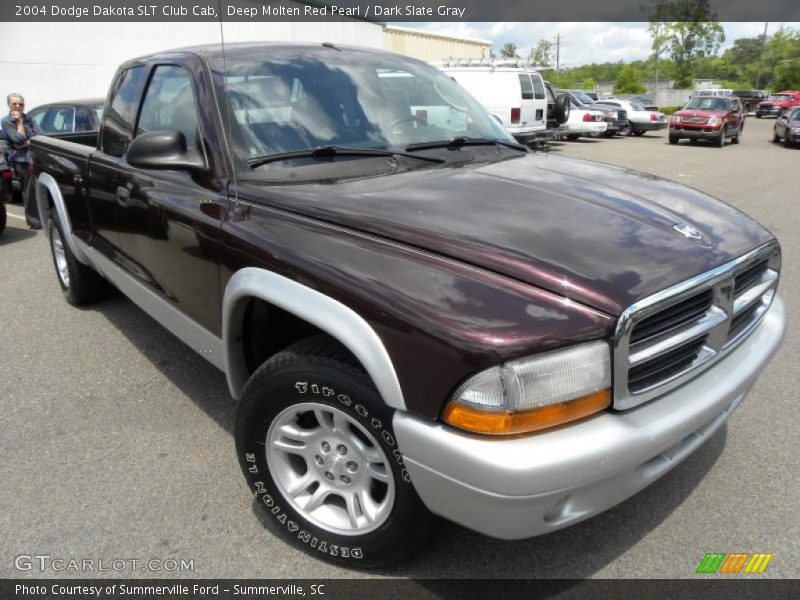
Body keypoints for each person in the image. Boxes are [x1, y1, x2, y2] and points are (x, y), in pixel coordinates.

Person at [1, 93, 40, 229]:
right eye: (14, 104)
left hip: (35, 157)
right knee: (29, 191)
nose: (18, 106)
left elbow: (39, 135)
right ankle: (34, 221)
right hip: (22, 160)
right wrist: (20, 123)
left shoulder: (30, 118)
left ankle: (42, 217)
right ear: (9, 105)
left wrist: (25, 143)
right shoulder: (6, 121)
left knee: (38, 188)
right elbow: (18, 139)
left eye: (21, 104)